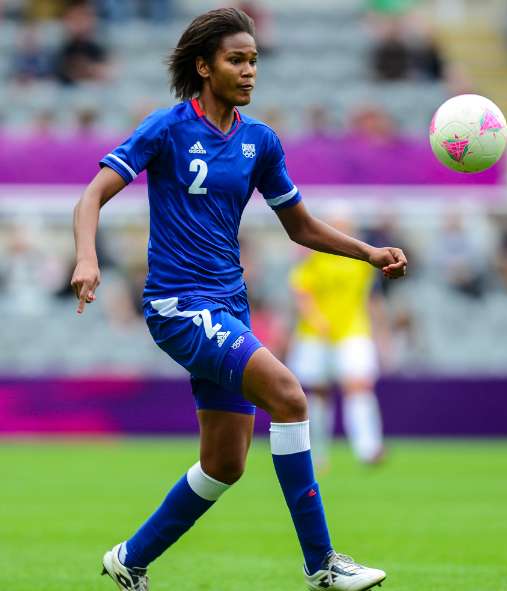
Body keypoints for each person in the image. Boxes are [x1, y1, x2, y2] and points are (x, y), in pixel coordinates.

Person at [70, 8, 406, 591]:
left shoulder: (260, 142)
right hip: (179, 306)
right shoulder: (167, 129)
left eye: (254, 60)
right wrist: (87, 257)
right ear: (204, 66)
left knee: (225, 463)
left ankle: (130, 558)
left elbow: (299, 227)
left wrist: (367, 252)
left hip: (228, 305)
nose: (249, 71)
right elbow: (91, 195)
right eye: (236, 60)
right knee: (289, 395)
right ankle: (322, 563)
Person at [287, 210, 385, 470]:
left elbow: (369, 297)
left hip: (352, 331)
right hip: (315, 334)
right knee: (318, 392)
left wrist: (379, 330)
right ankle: (317, 454)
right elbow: (301, 291)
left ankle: (369, 449)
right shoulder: (314, 258)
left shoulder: (361, 259)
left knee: (359, 386)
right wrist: (316, 318)